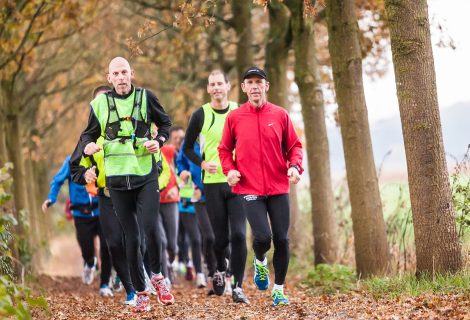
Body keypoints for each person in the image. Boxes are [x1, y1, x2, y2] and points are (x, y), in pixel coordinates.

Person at [78, 57, 174, 312]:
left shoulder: (146, 98)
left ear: (131, 73)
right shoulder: (99, 104)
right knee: (131, 238)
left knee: (151, 229)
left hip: (145, 174)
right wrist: (88, 146)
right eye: (115, 74)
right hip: (117, 181)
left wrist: (160, 140)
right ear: (109, 79)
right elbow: (87, 134)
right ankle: (141, 291)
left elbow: (166, 123)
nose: (120, 77)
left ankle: (158, 276)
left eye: (124, 72)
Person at [218, 66, 303, 307]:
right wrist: (230, 170)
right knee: (263, 237)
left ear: (266, 86)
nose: (254, 86)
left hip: (278, 186)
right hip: (249, 187)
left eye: (259, 81)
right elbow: (224, 150)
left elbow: (295, 146)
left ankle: (278, 290)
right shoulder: (234, 118)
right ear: (244, 88)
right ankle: (260, 260)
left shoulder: (280, 115)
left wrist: (295, 167)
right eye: (250, 82)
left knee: (282, 240)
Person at [183, 69, 248, 303]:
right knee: (219, 239)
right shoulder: (200, 114)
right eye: (212, 84)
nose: (217, 88)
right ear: (208, 89)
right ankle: (220, 268)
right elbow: (187, 148)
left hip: (238, 182)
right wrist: (202, 162)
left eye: (220, 83)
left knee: (239, 235)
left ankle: (238, 286)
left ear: (228, 86)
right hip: (212, 184)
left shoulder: (240, 111)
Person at [69, 84, 137, 306]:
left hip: (132, 194)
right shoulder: (88, 137)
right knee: (114, 243)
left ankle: (138, 278)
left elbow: (151, 159)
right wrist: (86, 173)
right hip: (106, 196)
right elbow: (75, 167)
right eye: (98, 102)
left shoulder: (130, 127)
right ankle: (128, 288)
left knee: (135, 240)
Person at [42, 153, 112, 297]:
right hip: (81, 214)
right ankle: (89, 262)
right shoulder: (71, 161)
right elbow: (57, 181)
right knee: (86, 248)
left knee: (107, 247)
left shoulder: (102, 157)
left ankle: (105, 284)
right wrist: (51, 199)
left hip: (102, 211)